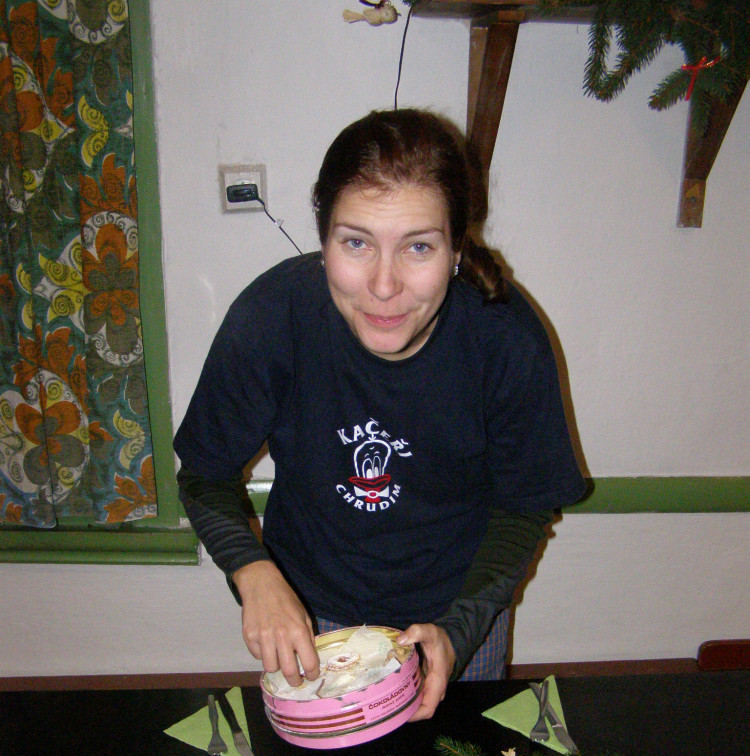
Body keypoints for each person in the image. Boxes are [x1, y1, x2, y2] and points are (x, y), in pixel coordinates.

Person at [174, 108, 585, 719]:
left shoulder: (506, 339)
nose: (384, 286)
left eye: (418, 246)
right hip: (312, 615)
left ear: (456, 248)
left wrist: (460, 630)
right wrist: (253, 571)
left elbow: (524, 507)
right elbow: (204, 474)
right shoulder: (272, 316)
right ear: (323, 242)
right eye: (356, 243)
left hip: (459, 613)